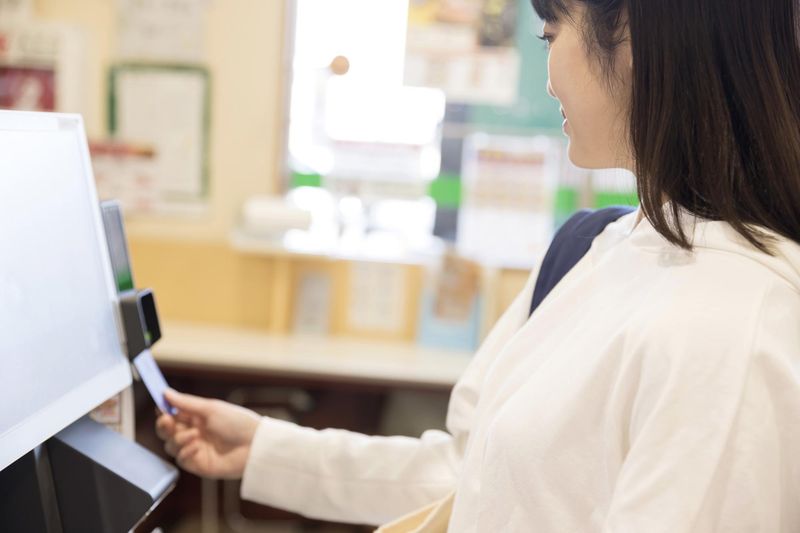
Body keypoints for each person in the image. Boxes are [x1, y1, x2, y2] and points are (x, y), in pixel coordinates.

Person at [157, 0, 800, 530]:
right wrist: (267, 448)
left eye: (550, 34)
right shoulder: (592, 248)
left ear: (631, 32)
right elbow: (477, 476)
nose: (546, 78)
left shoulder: (735, 330)